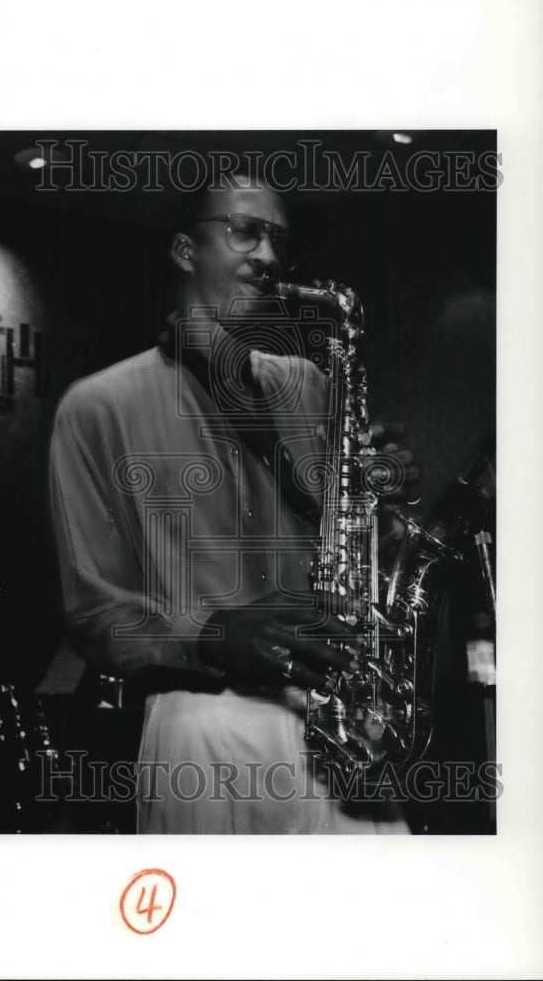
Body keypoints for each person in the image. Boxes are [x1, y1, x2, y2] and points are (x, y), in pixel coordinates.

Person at [48, 171, 411, 834]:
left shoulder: (308, 386)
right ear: (186, 251)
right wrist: (212, 633)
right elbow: (92, 612)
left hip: (338, 719)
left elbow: (342, 543)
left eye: (279, 241)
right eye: (245, 232)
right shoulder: (98, 404)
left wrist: (375, 486)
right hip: (202, 726)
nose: (268, 258)